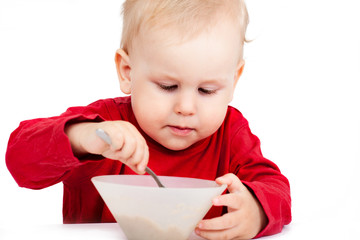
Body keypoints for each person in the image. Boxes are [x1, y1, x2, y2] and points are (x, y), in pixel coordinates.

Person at [6, 0, 291, 239]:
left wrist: (256, 209)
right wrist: (83, 137)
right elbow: (19, 160)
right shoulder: (101, 126)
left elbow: (276, 188)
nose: (186, 107)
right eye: (168, 86)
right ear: (128, 72)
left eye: (207, 90)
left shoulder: (231, 132)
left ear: (233, 81)